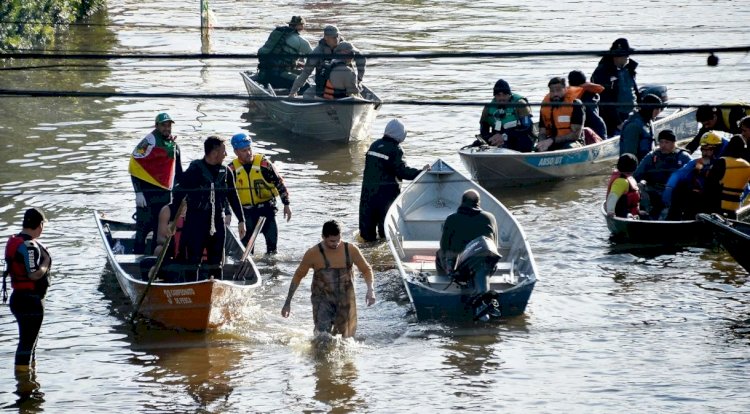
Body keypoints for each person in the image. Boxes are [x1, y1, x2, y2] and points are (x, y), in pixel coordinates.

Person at [169, 136, 246, 280]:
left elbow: (233, 197)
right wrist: (172, 221)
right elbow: (179, 192)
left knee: (216, 264)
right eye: (224, 151)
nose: (226, 154)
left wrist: (241, 220)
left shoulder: (226, 172)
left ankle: (215, 289)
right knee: (193, 261)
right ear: (214, 152)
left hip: (217, 223)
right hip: (196, 223)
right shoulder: (195, 169)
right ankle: (191, 288)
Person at [281, 220, 375, 338]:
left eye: (338, 239)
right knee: (322, 337)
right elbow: (298, 276)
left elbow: (366, 269)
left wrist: (370, 290)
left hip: (345, 300)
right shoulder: (313, 253)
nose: (335, 243)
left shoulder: (350, 250)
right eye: (331, 241)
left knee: (347, 339)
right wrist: (287, 302)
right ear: (323, 237)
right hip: (322, 300)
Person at [358, 119, 430, 242]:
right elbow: (402, 171)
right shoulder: (396, 150)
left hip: (367, 195)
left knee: (367, 234)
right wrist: (422, 172)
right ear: (400, 134)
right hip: (385, 197)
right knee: (385, 233)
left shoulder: (374, 145)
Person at [3, 208, 51, 372]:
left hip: (17, 298)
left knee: (29, 343)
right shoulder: (29, 246)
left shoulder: (13, 241)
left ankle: (32, 378)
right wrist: (45, 262)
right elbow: (33, 275)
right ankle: (24, 385)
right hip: (30, 300)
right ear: (40, 225)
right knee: (27, 345)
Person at [228, 133, 291, 255]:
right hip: (247, 214)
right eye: (244, 150)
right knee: (246, 253)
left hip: (267, 211)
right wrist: (228, 213)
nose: (249, 153)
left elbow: (279, 183)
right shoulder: (231, 170)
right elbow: (226, 195)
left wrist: (286, 204)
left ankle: (272, 272)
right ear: (236, 152)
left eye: (249, 149)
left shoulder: (264, 164)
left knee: (272, 252)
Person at [129, 112, 183, 254]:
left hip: (165, 195)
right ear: (156, 126)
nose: (167, 128)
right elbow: (134, 164)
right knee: (142, 229)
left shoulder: (173, 145)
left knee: (159, 231)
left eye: (169, 125)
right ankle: (136, 261)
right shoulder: (149, 141)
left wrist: (182, 192)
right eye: (163, 125)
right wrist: (138, 192)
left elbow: (178, 173)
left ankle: (153, 262)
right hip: (147, 195)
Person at [288, 25, 366, 98]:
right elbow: (305, 72)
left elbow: (361, 58)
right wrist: (293, 91)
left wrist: (359, 79)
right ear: (326, 37)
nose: (336, 39)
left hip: (345, 84)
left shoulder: (345, 47)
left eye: (337, 36)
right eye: (333, 37)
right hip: (324, 87)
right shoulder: (317, 52)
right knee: (306, 95)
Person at [662, 131, 724, 220]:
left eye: (709, 149)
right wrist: (669, 188)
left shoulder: (724, 165)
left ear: (716, 150)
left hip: (716, 203)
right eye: (703, 149)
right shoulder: (696, 163)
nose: (705, 153)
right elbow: (679, 174)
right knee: (681, 186)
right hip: (696, 201)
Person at [435, 190, 498, 276]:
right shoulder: (490, 218)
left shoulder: (451, 219)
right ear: (478, 202)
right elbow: (495, 244)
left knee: (440, 253)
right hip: (486, 263)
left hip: (459, 266)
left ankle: (443, 281)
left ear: (462, 202)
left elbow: (444, 245)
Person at [633, 129, 691, 218]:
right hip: (654, 190)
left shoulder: (683, 157)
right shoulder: (652, 156)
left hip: (675, 193)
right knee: (637, 187)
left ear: (674, 143)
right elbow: (637, 175)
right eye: (661, 142)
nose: (663, 145)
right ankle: (644, 213)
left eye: (667, 142)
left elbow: (696, 175)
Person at [592, 38, 640, 137]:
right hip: (613, 119)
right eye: (624, 55)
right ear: (615, 56)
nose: (627, 57)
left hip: (631, 113)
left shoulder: (629, 69)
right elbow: (605, 100)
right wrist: (618, 123)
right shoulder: (602, 73)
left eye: (628, 54)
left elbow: (634, 90)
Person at [476, 79, 535, 152]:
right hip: (497, 138)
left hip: (517, 136)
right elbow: (484, 130)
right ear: (494, 96)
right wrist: (491, 138)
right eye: (498, 95)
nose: (501, 98)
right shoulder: (488, 108)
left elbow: (527, 127)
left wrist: (504, 136)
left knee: (524, 142)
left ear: (509, 95)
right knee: (477, 144)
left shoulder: (520, 104)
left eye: (504, 95)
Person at [256, 16, 313, 89]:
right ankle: (293, 98)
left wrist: (297, 64)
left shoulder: (278, 34)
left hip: (264, 74)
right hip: (278, 76)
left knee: (299, 72)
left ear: (290, 24)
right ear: (301, 26)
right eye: (303, 25)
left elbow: (278, 56)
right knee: (306, 85)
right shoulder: (301, 41)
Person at [537, 77, 585, 152]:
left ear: (565, 89)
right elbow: (542, 132)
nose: (555, 94)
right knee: (536, 149)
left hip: (572, 142)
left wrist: (552, 140)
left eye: (558, 90)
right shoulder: (545, 106)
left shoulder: (575, 104)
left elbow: (575, 136)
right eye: (552, 91)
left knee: (568, 148)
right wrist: (541, 143)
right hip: (551, 141)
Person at [707, 136, 750, 219]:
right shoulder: (747, 166)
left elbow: (709, 185)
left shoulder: (722, 161)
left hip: (717, 207)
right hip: (734, 208)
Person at [685, 103, 750, 154]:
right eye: (703, 125)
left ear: (714, 116)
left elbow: (743, 139)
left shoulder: (733, 115)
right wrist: (685, 153)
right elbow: (696, 141)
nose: (706, 127)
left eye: (707, 124)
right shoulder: (709, 120)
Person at [619, 93, 664, 161]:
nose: (659, 112)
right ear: (649, 109)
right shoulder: (633, 126)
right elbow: (629, 153)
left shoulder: (648, 122)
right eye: (657, 109)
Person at [568, 70, 607, 139]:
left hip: (585, 128)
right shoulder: (593, 93)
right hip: (598, 126)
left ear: (570, 83)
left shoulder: (569, 96)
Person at [605, 154, 642, 218]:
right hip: (622, 214)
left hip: (631, 212)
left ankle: (635, 214)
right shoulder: (621, 182)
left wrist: (638, 211)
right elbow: (612, 196)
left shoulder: (629, 178)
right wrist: (610, 211)